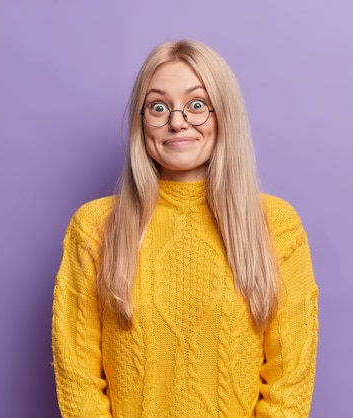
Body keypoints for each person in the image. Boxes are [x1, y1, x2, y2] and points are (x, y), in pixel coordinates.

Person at [52, 39, 319, 417]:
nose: (177, 121)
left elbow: (289, 381)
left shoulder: (276, 226)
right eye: (158, 107)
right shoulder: (94, 227)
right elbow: (77, 376)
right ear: (141, 122)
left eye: (197, 105)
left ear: (223, 114)